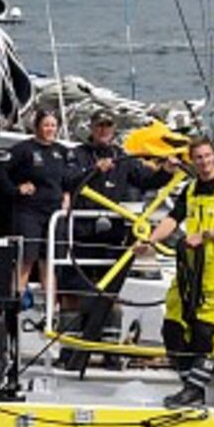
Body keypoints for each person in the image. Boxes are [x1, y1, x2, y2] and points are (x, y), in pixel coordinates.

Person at [62, 108, 179, 372]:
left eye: (108, 126)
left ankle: (110, 351)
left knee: (111, 292)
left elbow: (147, 180)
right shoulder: (77, 155)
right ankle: (69, 350)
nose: (103, 130)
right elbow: (67, 180)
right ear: (92, 129)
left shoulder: (123, 158)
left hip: (112, 236)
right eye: (99, 126)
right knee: (73, 293)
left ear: (114, 130)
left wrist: (167, 171)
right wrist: (94, 169)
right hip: (81, 234)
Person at [138, 136, 214, 409]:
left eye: (208, 156)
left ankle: (194, 390)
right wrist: (150, 241)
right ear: (192, 160)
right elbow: (173, 218)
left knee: (205, 330)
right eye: (198, 157)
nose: (204, 161)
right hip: (189, 267)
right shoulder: (190, 189)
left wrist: (205, 235)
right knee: (173, 327)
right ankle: (188, 383)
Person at [0, 109, 80, 298]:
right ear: (37, 127)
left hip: (54, 213)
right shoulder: (24, 149)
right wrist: (15, 189)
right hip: (29, 212)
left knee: (49, 262)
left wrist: (67, 194)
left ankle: (51, 308)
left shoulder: (63, 151)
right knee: (26, 259)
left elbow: (72, 178)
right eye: (46, 125)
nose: (50, 129)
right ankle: (15, 303)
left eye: (53, 125)